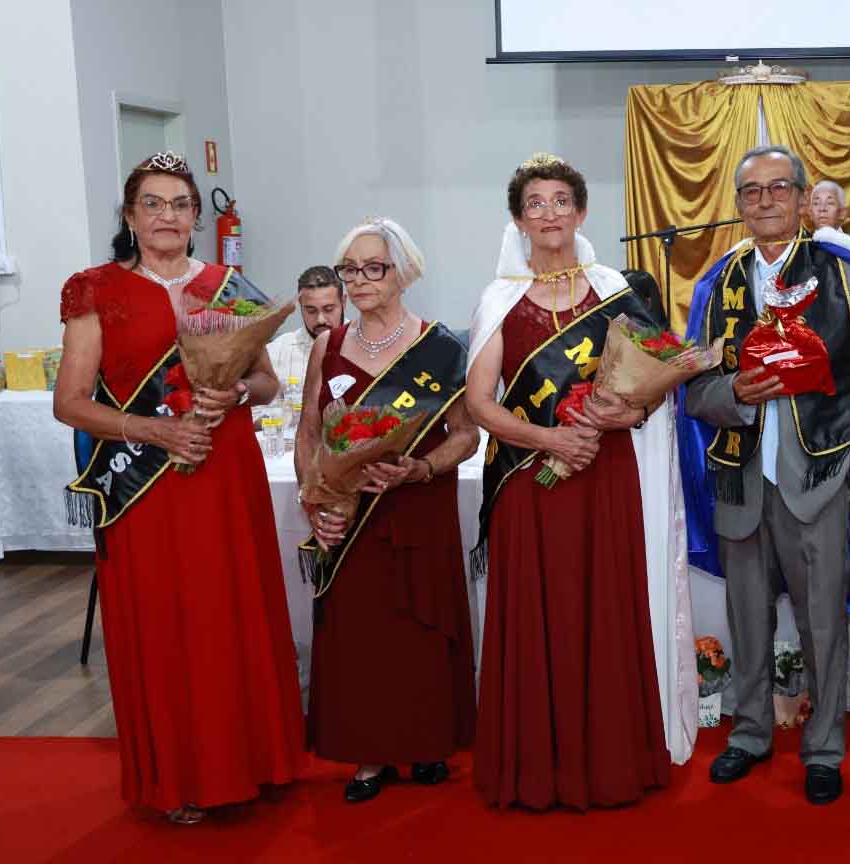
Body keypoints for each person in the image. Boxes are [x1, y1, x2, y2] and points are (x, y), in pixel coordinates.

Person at [53, 152, 303, 824]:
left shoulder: (228, 283)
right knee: (167, 622)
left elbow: (267, 385)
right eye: (153, 204)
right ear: (131, 217)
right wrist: (154, 431)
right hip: (147, 486)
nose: (168, 216)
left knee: (233, 610)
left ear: (196, 217)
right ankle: (181, 776)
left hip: (224, 473)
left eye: (180, 205)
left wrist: (233, 392)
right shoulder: (96, 289)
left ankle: (256, 760)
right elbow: (71, 403)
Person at [680, 145, 850, 806]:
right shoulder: (716, 283)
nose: (765, 201)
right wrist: (736, 390)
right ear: (738, 203)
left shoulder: (847, 276)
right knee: (746, 617)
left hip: (819, 472)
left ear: (799, 197)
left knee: (822, 622)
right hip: (739, 475)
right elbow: (691, 389)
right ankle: (751, 732)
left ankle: (822, 747)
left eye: (778, 188)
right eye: (752, 190)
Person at [466, 153, 690, 810]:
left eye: (561, 200)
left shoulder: (616, 289)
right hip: (532, 482)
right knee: (543, 615)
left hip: (605, 475)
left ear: (581, 212)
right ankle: (538, 769)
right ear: (518, 219)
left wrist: (632, 408)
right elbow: (481, 402)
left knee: (604, 609)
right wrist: (549, 439)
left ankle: (610, 763)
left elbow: (663, 372)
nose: (549, 214)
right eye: (535, 203)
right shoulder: (497, 299)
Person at [295, 218, 478, 803]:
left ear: (402, 273)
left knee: (419, 633)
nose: (359, 280)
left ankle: (426, 744)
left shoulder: (441, 347)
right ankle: (368, 756)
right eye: (351, 269)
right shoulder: (328, 344)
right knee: (362, 639)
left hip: (419, 507)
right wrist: (315, 498)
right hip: (351, 521)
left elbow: (466, 435)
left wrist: (421, 469)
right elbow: (307, 433)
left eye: (373, 267)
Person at [254, 265, 343, 423]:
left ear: (344, 302)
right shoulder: (277, 350)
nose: (320, 319)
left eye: (329, 309)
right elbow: (254, 413)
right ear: (300, 306)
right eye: (311, 311)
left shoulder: (363, 345)